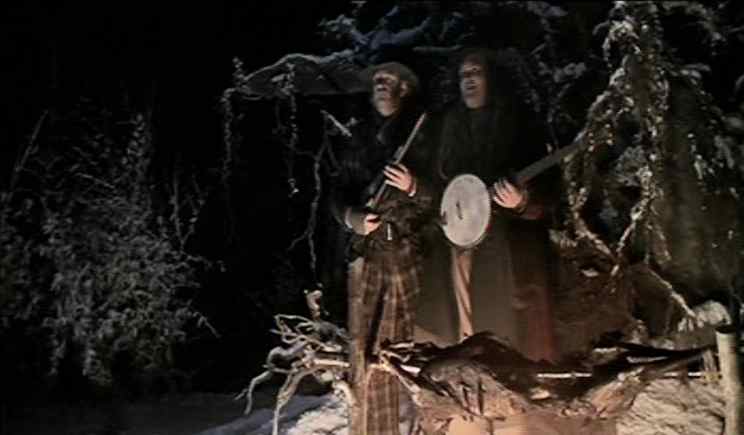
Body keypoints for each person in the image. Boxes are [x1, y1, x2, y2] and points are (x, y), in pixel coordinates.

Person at [329, 61, 434, 435]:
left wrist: (413, 187)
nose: (380, 85)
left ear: (405, 88)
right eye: (377, 80)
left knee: (407, 355)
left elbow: (446, 199)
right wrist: (352, 217)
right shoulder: (357, 138)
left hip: (408, 255)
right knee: (365, 354)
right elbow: (338, 193)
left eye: (388, 80)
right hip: (367, 255)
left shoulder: (424, 135)